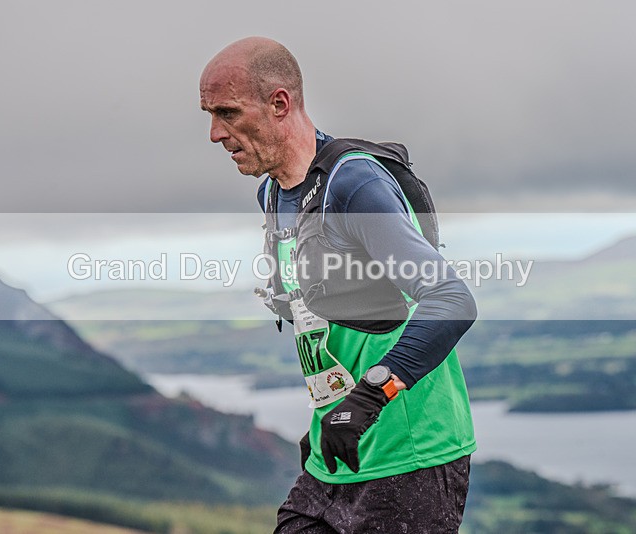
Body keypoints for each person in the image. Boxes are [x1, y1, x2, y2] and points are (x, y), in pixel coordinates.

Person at [200, 36, 478, 534]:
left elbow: (451, 299)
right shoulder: (274, 193)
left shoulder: (354, 185)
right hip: (337, 453)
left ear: (279, 103)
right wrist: (330, 411)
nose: (215, 133)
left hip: (409, 454)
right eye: (209, 114)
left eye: (227, 112)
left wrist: (368, 399)